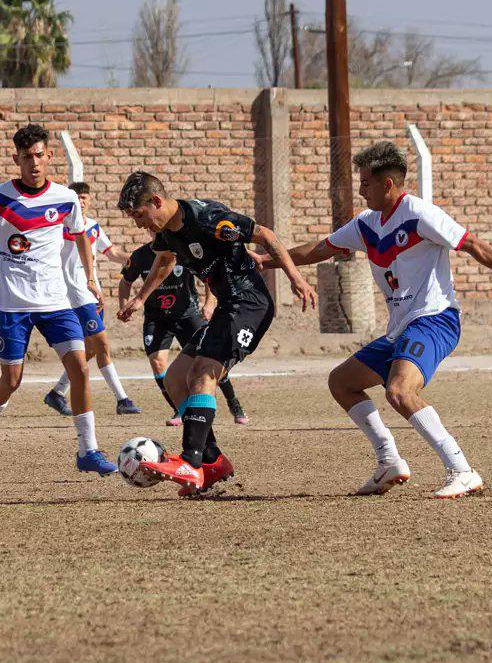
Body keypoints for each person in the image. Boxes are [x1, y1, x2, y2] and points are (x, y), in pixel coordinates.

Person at [260, 140, 492, 499]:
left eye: (366, 183)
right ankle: (389, 460)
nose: (360, 189)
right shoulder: (366, 224)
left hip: (436, 319)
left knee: (400, 391)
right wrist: (264, 261)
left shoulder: (421, 214)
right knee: (342, 382)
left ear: (387, 185)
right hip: (401, 327)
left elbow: (476, 247)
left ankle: (462, 470)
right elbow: (316, 250)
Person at [117, 171, 315, 495]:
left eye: (139, 215)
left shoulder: (206, 217)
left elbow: (264, 234)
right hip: (228, 307)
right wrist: (140, 299)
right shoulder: (167, 233)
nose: (139, 224)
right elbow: (164, 261)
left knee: (202, 373)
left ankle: (190, 462)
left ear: (156, 201)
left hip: (248, 304)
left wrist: (296, 278)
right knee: (174, 378)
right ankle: (212, 461)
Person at [0, 123, 117, 475]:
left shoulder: (66, 198)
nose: (34, 163)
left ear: (50, 157)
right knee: (12, 380)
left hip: (56, 302)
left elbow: (80, 237)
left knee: (80, 369)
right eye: (27, 157)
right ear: (17, 159)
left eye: (40, 156)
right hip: (11, 304)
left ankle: (88, 450)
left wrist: (90, 278)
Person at [118, 239, 249, 428]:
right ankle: (181, 409)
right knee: (157, 362)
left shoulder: (183, 250)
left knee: (211, 359)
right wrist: (124, 306)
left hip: (188, 315)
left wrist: (209, 303)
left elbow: (210, 276)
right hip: (157, 318)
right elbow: (125, 281)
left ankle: (233, 402)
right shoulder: (140, 255)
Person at [42, 180, 142, 417]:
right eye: (76, 198)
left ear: (89, 201)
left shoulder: (94, 227)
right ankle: (123, 399)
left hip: (92, 293)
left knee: (89, 349)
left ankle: (57, 393)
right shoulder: (59, 227)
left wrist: (139, 260)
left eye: (84, 198)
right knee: (102, 345)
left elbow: (113, 253)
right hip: (74, 295)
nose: (81, 202)